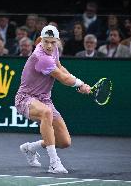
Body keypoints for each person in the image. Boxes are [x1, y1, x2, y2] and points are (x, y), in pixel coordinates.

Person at [15, 25, 91, 174]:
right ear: (41, 40)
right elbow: (62, 78)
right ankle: (54, 164)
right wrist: (80, 84)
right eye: (46, 42)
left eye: (52, 42)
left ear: (57, 41)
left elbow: (61, 68)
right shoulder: (41, 57)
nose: (49, 46)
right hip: (25, 99)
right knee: (46, 113)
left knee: (64, 142)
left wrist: (78, 82)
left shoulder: (54, 50)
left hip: (45, 100)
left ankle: (30, 148)